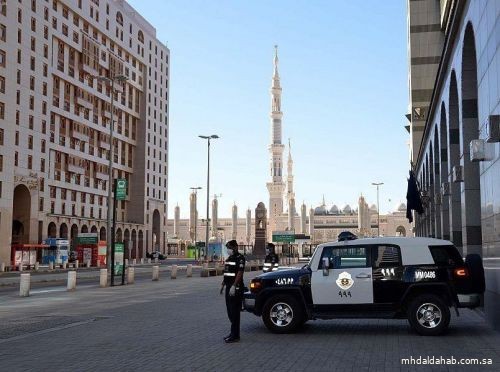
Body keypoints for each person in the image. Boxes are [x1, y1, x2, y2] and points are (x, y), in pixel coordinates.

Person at [220, 239, 245, 343]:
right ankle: (232, 333)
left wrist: (234, 285)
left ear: (235, 247)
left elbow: (240, 272)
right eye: (227, 248)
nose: (228, 250)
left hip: (236, 287)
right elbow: (227, 272)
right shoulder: (230, 258)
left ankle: (235, 335)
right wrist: (223, 284)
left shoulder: (240, 258)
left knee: (234, 311)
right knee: (229, 311)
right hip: (228, 286)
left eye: (230, 248)